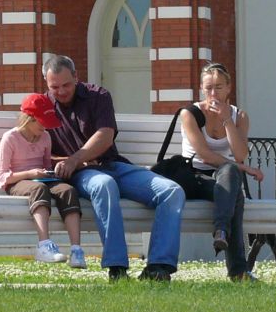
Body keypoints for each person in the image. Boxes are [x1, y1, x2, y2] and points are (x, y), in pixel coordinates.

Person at [43, 53, 185, 280]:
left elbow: (105, 135)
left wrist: (75, 157)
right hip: (82, 175)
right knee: (104, 184)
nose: (61, 91)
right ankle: (117, 268)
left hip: (112, 164)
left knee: (171, 191)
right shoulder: (42, 108)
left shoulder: (97, 96)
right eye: (54, 87)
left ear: (77, 77)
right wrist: (73, 162)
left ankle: (158, 267)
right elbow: (36, 150)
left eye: (66, 84)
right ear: (47, 84)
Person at [154, 64, 264, 281]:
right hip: (191, 176)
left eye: (219, 88)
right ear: (202, 89)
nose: (213, 94)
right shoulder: (191, 113)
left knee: (230, 174)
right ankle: (238, 269)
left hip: (221, 179)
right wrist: (244, 169)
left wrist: (226, 120)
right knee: (234, 191)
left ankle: (221, 232)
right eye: (208, 88)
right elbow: (204, 155)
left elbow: (240, 154)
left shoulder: (239, 116)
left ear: (229, 88)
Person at [0, 92, 85, 267]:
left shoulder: (45, 137)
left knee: (67, 190)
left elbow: (46, 165)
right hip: (17, 182)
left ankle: (76, 250)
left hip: (41, 179)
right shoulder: (10, 138)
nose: (45, 128)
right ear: (29, 119)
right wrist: (30, 174)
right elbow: (3, 176)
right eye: (42, 123)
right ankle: (44, 245)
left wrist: (54, 170)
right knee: (39, 189)